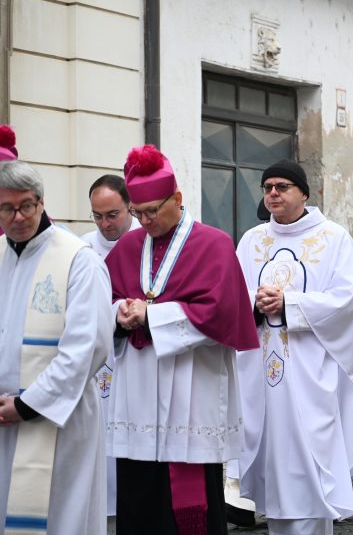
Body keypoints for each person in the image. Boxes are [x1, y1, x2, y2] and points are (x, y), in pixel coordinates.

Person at [104, 145, 259, 535]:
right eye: (137, 213)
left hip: (193, 388)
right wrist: (120, 316)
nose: (145, 220)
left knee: (190, 506)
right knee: (138, 496)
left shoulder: (214, 244)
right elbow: (98, 305)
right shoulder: (127, 247)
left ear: (178, 198)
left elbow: (222, 312)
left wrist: (151, 315)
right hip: (138, 393)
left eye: (153, 210)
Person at [233, 159, 353, 535]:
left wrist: (290, 303)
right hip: (261, 365)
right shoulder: (252, 240)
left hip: (311, 368)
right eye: (267, 187)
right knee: (271, 450)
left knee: (311, 447)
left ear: (304, 193)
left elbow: (347, 300)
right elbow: (236, 295)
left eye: (282, 186)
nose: (273, 193)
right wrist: (255, 304)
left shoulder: (333, 237)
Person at [0, 160, 112, 534]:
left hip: (58, 420)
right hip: (4, 421)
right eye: (6, 207)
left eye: (26, 205)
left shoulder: (78, 260)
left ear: (42, 202)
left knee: (61, 518)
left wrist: (28, 404)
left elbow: (88, 347)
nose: (17, 217)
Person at [80, 174, 141, 520]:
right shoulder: (83, 248)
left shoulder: (147, 243)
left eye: (112, 215)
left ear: (129, 207)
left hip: (133, 356)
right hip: (96, 362)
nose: (105, 224)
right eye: (97, 216)